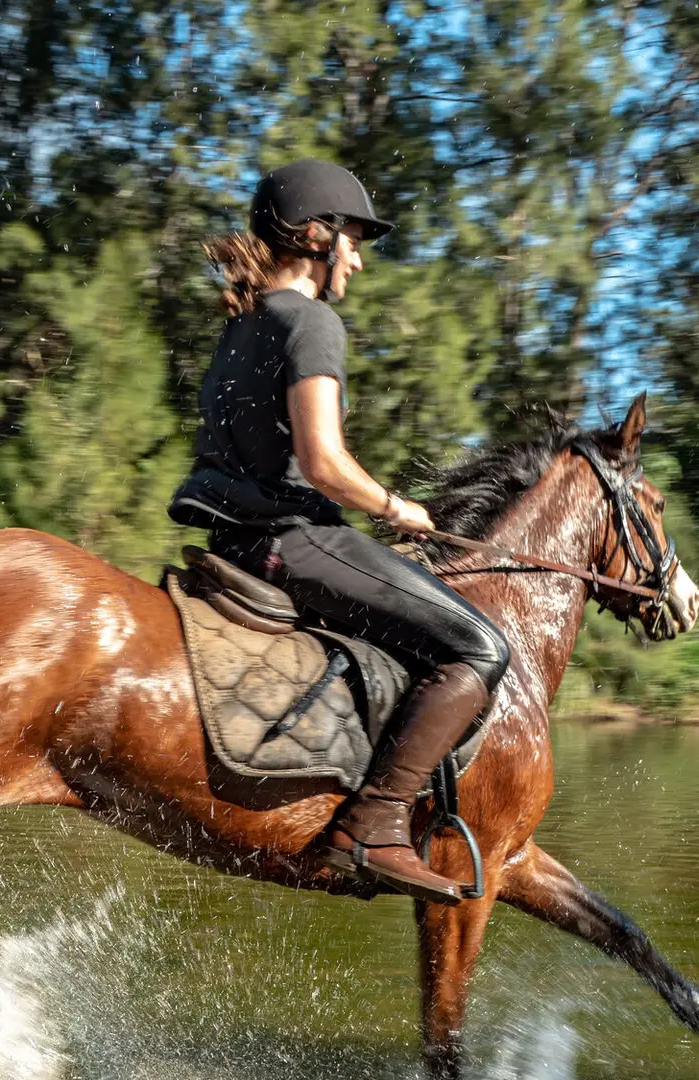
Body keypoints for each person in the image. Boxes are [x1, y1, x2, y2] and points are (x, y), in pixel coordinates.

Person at [169, 159, 511, 905]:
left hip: (233, 545)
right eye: (353, 239)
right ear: (317, 236)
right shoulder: (311, 321)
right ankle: (377, 821)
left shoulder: (240, 326)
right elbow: (324, 464)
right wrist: (398, 508)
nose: (357, 258)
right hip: (292, 542)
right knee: (482, 646)